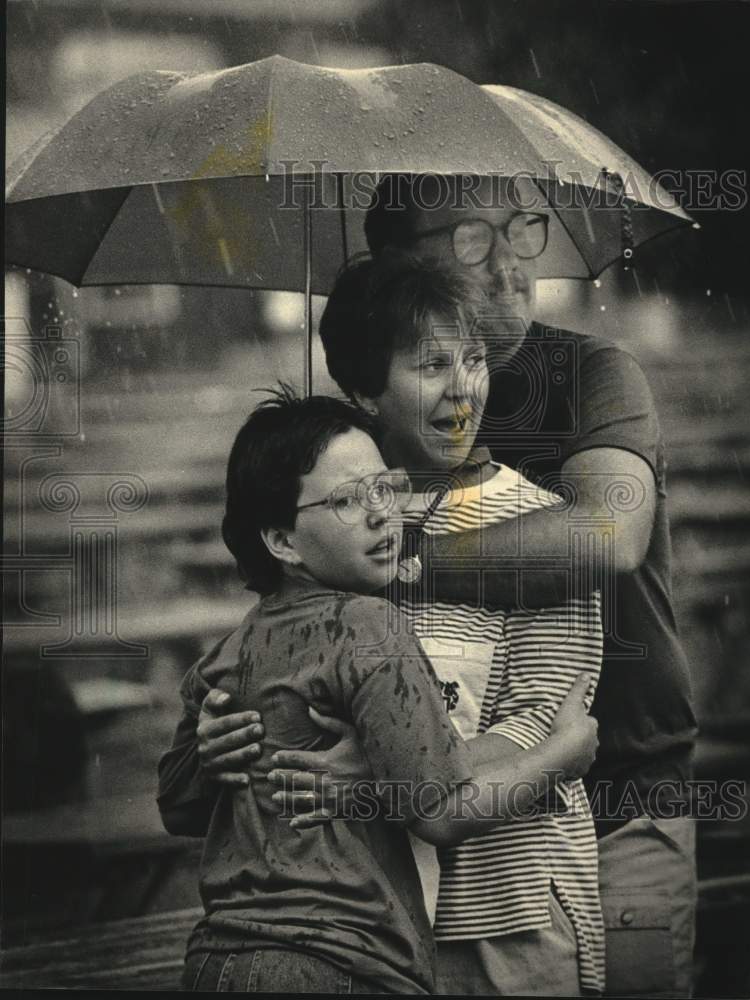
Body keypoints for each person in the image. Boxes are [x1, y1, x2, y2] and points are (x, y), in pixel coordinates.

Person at [186, 173, 698, 998]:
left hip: (616, 782)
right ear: (395, 265)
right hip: (423, 873)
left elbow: (604, 534)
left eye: (521, 228)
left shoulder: (590, 373)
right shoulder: (362, 465)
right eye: (469, 237)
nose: (507, 264)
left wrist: (398, 569)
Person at [159, 372, 600, 993]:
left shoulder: (227, 653)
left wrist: (209, 763)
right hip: (342, 964)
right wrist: (565, 753)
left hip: (219, 960)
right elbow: (440, 810)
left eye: (385, 488)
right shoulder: (371, 628)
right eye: (345, 501)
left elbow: (176, 807)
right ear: (282, 539)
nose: (379, 514)